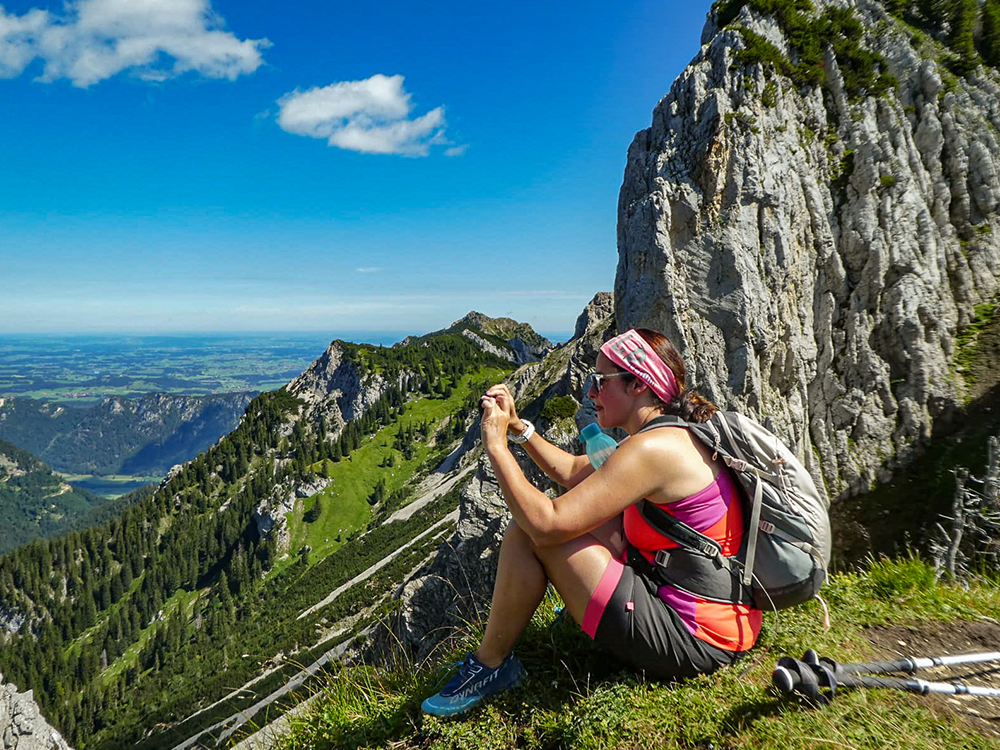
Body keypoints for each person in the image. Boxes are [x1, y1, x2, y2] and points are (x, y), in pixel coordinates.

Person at [421, 328, 762, 717]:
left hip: (696, 639)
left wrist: (495, 446)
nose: (591, 393)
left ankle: (489, 666)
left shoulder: (651, 451)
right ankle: (493, 660)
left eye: (600, 381)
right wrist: (519, 428)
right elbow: (570, 470)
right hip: (716, 618)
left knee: (530, 533)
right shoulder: (665, 436)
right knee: (567, 520)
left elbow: (546, 525)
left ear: (638, 384)